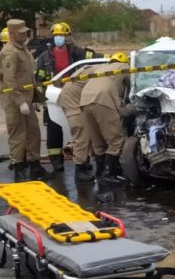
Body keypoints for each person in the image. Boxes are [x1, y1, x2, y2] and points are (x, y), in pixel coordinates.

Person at [35, 22, 100, 173]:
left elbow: (95, 58)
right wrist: (39, 99)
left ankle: (83, 158)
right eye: (57, 35)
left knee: (79, 128)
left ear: (67, 37)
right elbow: (39, 79)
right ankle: (56, 160)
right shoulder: (44, 57)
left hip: (74, 96)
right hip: (53, 96)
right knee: (54, 129)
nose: (60, 38)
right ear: (53, 37)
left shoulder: (77, 52)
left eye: (62, 35)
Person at [0, 19, 46, 182]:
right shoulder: (9, 52)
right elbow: (9, 81)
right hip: (15, 100)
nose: (25, 34)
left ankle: (35, 165)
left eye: (25, 32)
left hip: (27, 99)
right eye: (21, 32)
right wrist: (20, 101)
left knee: (33, 132)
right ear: (11, 34)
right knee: (18, 134)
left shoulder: (22, 48)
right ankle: (19, 168)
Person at [79, 52, 130, 185]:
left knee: (98, 141)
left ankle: (100, 173)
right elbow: (132, 87)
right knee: (116, 140)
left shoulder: (100, 67)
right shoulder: (124, 66)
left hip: (85, 100)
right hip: (103, 100)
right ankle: (109, 174)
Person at [57, 65, 96, 183]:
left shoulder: (97, 69)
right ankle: (79, 171)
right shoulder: (105, 74)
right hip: (71, 102)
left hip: (74, 99)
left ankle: (85, 162)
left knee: (87, 132)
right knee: (81, 134)